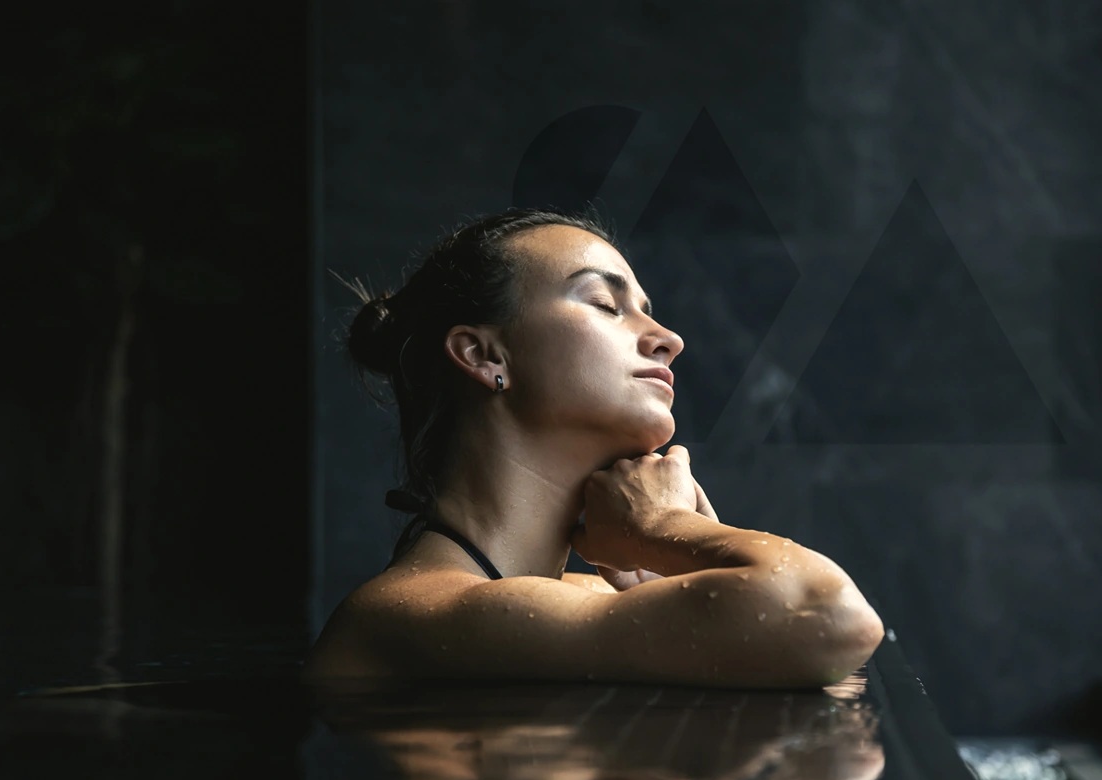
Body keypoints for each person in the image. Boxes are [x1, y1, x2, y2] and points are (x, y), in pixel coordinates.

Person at [305, 208, 885, 688]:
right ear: (485, 357)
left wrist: (663, 582)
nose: (669, 340)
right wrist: (663, 528)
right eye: (606, 306)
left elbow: (826, 659)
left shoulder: (577, 599)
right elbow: (829, 614)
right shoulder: (420, 611)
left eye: (646, 312)